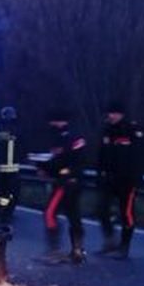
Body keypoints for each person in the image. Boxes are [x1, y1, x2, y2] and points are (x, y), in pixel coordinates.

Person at [97, 100, 144, 259]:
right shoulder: (107, 130)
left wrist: (136, 178)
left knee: (127, 213)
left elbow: (139, 156)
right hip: (110, 178)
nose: (110, 116)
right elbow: (102, 155)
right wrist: (100, 173)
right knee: (101, 209)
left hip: (128, 180)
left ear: (121, 114)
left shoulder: (132, 129)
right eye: (109, 113)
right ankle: (110, 240)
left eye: (113, 113)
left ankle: (124, 247)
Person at [39, 112, 88, 264]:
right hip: (76, 180)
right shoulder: (76, 136)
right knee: (73, 214)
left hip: (65, 182)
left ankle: (54, 251)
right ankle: (77, 250)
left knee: (49, 213)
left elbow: (61, 160)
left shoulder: (64, 138)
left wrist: (44, 167)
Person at [0, 106, 20, 219]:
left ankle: (2, 212)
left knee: (3, 193)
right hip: (11, 168)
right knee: (10, 192)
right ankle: (6, 212)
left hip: (2, 167)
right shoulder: (17, 128)